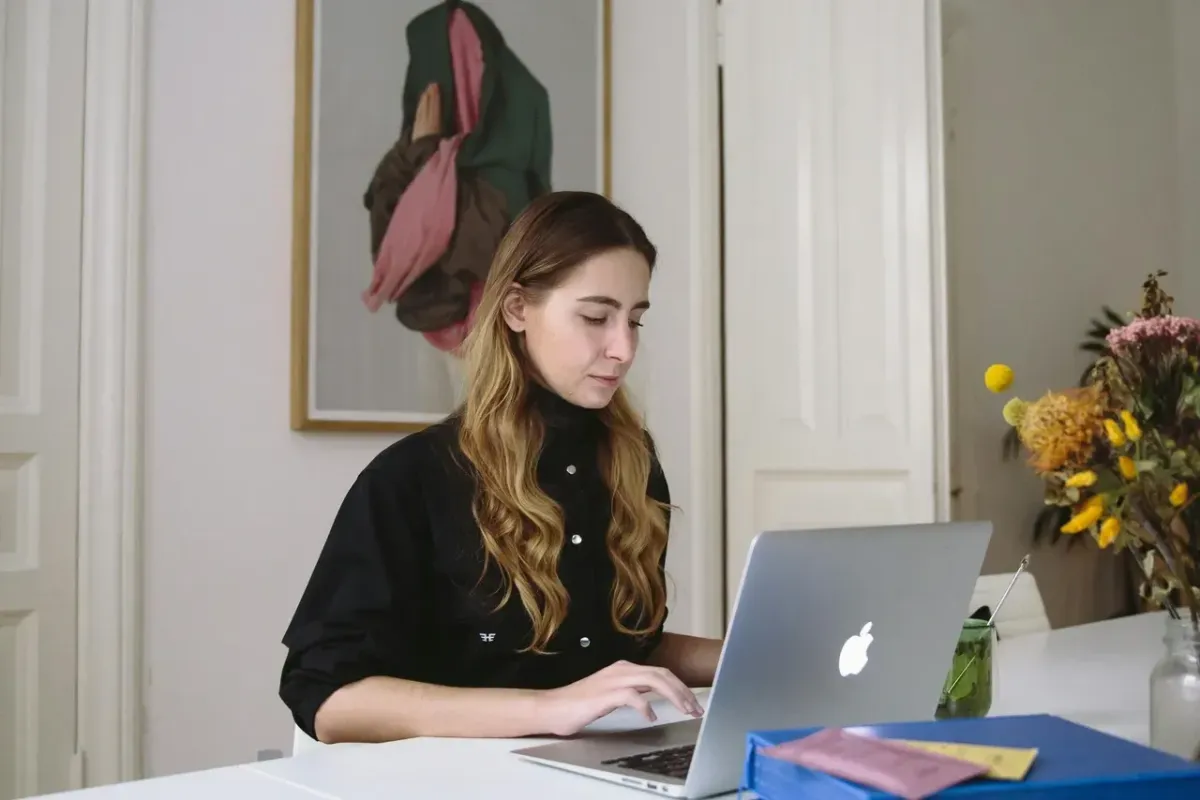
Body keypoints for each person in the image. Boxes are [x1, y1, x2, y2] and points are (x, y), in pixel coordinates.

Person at [280, 191, 724, 745]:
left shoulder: (632, 462)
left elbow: (624, 646)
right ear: (517, 309)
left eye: (635, 320)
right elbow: (326, 698)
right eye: (595, 317)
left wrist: (751, 657)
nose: (623, 348)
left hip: (596, 772)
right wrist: (548, 709)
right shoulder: (411, 478)